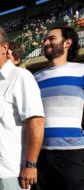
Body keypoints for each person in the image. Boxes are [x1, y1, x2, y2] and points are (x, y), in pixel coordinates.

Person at [0, 25, 45, 190]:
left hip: (8, 173)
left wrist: (31, 164)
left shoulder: (20, 77)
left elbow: (36, 121)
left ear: (5, 48)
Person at [33, 26, 84, 190]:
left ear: (67, 43)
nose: (46, 42)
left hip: (72, 154)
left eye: (51, 38)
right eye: (45, 40)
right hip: (39, 154)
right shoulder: (35, 77)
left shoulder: (81, 71)